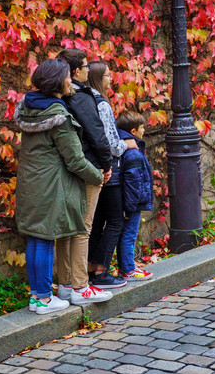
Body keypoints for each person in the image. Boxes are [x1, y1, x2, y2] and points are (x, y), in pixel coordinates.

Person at [14, 58, 105, 314]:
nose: (70, 81)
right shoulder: (58, 115)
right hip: (51, 185)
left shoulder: (30, 108)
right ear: (57, 81)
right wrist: (97, 176)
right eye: (67, 77)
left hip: (31, 183)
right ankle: (43, 299)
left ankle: (36, 296)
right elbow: (75, 160)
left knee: (35, 238)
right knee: (44, 239)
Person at [52, 49, 115, 305]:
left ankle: (66, 285)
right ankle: (80, 286)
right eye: (86, 67)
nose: (89, 71)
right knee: (83, 226)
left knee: (67, 229)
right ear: (76, 71)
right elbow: (95, 132)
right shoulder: (81, 96)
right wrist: (107, 163)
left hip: (66, 168)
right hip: (88, 166)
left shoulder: (59, 95)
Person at [85, 60, 136, 289]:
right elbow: (111, 144)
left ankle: (89, 269)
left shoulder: (84, 100)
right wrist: (128, 144)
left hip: (92, 168)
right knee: (115, 220)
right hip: (109, 170)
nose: (110, 79)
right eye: (107, 75)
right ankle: (101, 272)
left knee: (96, 222)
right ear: (97, 78)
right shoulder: (101, 104)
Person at [116, 109, 155, 281]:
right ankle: (128, 269)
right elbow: (133, 181)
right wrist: (131, 207)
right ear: (133, 131)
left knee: (126, 234)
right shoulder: (132, 151)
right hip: (132, 203)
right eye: (142, 127)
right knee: (129, 234)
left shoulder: (129, 146)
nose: (144, 130)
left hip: (129, 202)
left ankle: (125, 267)